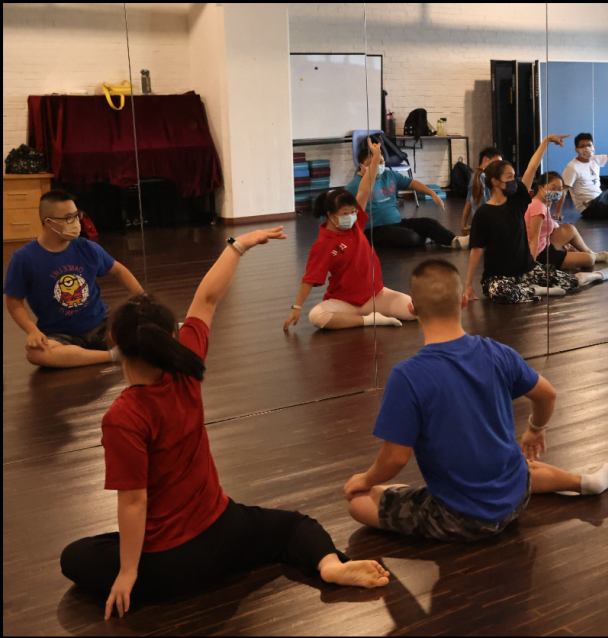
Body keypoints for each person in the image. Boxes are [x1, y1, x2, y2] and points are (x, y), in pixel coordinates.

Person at [60, 226, 390, 621]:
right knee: (293, 526)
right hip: (223, 530)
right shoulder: (186, 367)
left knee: (74, 556)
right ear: (171, 335)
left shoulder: (123, 416)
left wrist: (128, 571)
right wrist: (239, 245)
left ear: (113, 339)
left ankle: (152, 579)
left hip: (170, 564)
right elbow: (207, 298)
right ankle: (330, 566)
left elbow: (133, 501)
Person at [345, 259, 608, 542]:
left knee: (359, 502)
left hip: (460, 519)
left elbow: (395, 458)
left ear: (412, 308)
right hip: (517, 498)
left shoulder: (407, 376)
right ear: (463, 301)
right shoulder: (498, 353)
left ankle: (427, 501)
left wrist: (365, 479)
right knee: (519, 466)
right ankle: (584, 482)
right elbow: (548, 394)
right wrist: (536, 428)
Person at [284, 140, 416, 331]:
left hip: (376, 295)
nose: (351, 216)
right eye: (345, 213)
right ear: (331, 214)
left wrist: (376, 157)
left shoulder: (356, 224)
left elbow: (365, 188)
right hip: (344, 301)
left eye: (353, 212)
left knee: (414, 311)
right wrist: (297, 307)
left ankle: (367, 315)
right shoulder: (322, 244)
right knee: (317, 316)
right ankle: (369, 320)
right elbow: (309, 279)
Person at [4, 190, 144, 369]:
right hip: (59, 333)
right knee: (36, 353)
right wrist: (32, 330)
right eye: (68, 218)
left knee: (145, 328)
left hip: (100, 324)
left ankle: (85, 355)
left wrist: (143, 298)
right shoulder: (23, 258)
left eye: (77, 215)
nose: (76, 222)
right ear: (49, 222)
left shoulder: (87, 247)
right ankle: (112, 356)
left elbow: (119, 271)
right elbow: (13, 301)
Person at [465, 135, 608, 304]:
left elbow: (532, 168)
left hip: (525, 268)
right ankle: (538, 290)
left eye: (514, 176)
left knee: (570, 282)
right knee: (500, 292)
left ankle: (595, 275)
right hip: (498, 276)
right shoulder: (483, 213)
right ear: (496, 182)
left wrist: (545, 142)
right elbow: (476, 250)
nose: (514, 181)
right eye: (509, 177)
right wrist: (468, 283)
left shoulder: (517, 202)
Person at [345, 146, 469, 250]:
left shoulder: (389, 175)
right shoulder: (353, 186)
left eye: (380, 162)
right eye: (371, 164)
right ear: (361, 166)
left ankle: (454, 240)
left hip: (397, 222)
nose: (377, 166)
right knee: (410, 237)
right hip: (374, 230)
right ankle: (430, 237)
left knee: (429, 223)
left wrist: (432, 193)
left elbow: (412, 183)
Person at [526, 172, 608, 270]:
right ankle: (592, 256)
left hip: (545, 244)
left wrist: (565, 242)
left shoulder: (542, 202)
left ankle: (590, 252)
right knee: (589, 260)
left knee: (569, 228)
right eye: (553, 188)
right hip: (541, 254)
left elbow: (550, 224)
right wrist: (531, 265)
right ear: (541, 187)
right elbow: (534, 239)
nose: (556, 192)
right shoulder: (538, 207)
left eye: (560, 189)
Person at [462, 147, 502, 235]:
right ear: (485, 159)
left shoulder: (475, 177)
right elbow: (485, 204)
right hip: (487, 224)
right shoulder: (483, 178)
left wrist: (464, 224)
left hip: (481, 224)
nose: (499, 167)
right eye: (497, 162)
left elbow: (468, 202)